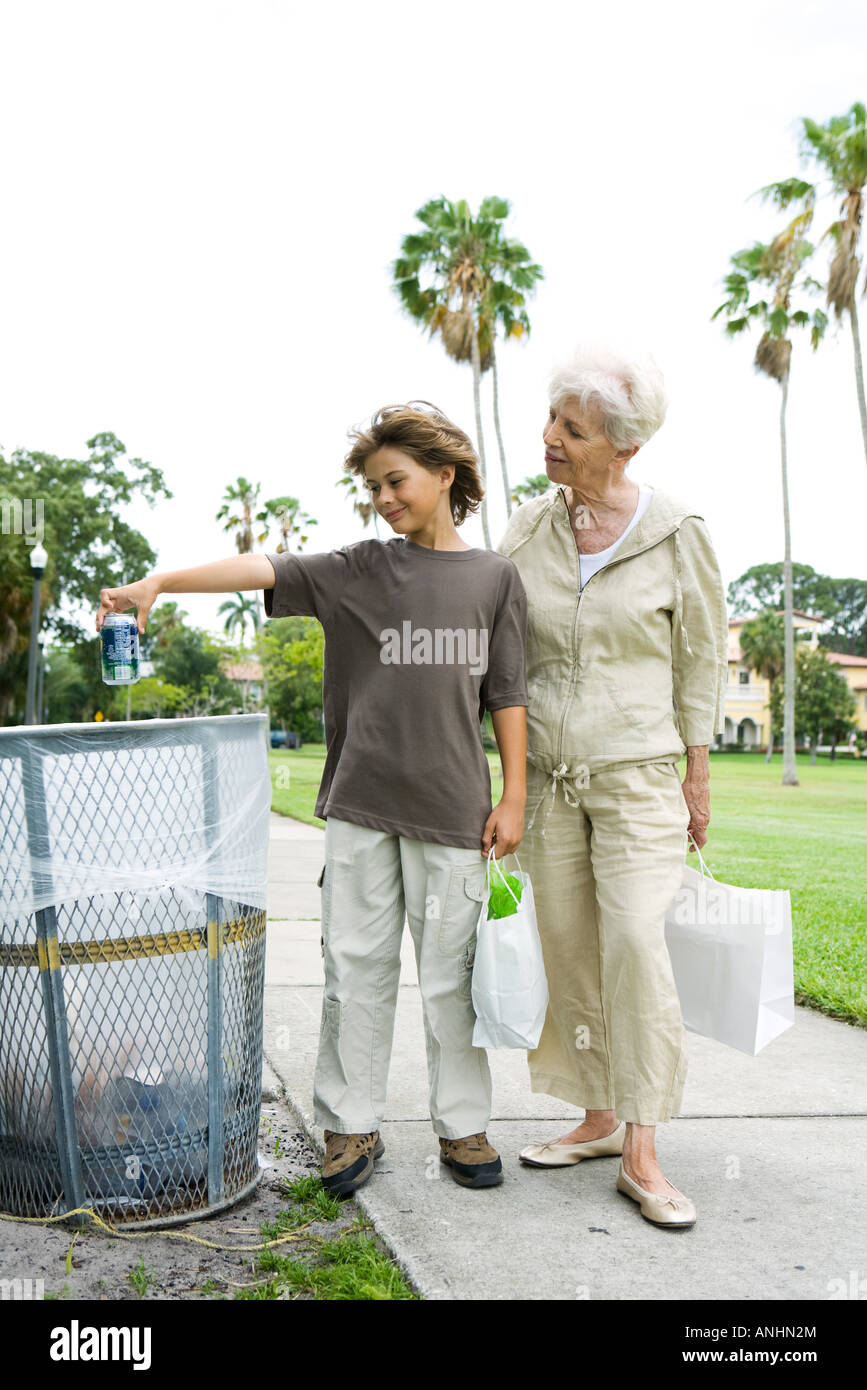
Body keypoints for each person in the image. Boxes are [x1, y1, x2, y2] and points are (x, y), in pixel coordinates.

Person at [96, 401, 528, 1197]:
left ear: (444, 475)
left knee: (450, 979)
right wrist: (159, 582)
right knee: (353, 971)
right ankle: (349, 1125)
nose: (383, 497)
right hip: (360, 807)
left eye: (395, 480)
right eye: (372, 486)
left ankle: (462, 1127)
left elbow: (506, 693)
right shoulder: (358, 567)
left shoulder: (495, 578)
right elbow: (261, 569)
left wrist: (515, 796)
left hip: (454, 813)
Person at [497, 347, 727, 1229]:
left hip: (638, 780)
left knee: (633, 941)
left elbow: (700, 659)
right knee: (570, 948)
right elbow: (492, 644)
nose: (549, 438)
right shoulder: (527, 528)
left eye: (572, 429)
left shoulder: (676, 531)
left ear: (621, 449)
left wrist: (697, 774)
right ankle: (594, 1117)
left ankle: (642, 1146)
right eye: (552, 420)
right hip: (549, 781)